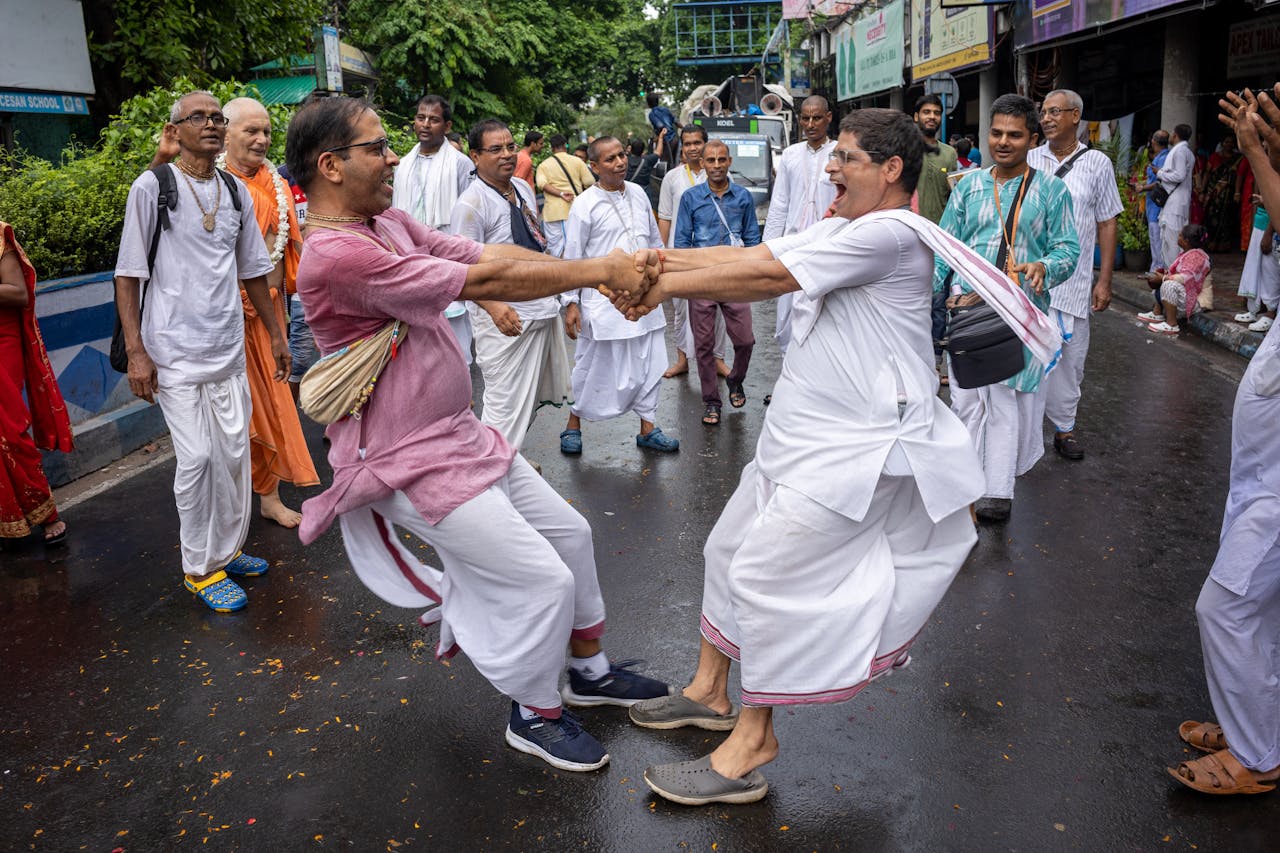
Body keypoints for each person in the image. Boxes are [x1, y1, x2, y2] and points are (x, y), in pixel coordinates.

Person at [617, 109, 1056, 806]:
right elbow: (747, 255)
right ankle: (708, 689)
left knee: (766, 573)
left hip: (855, 453)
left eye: (845, 156)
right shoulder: (844, 226)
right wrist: (659, 265)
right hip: (803, 440)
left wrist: (658, 286)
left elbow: (765, 273)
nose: (829, 166)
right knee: (728, 549)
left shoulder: (886, 234)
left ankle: (752, 739)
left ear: (889, 171)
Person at [285, 98, 668, 773]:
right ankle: (534, 711)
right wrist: (598, 273)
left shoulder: (389, 223)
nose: (393, 156)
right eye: (376, 147)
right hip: (408, 460)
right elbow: (482, 277)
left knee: (571, 537)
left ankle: (589, 669)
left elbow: (484, 252)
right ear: (330, 165)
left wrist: (591, 271)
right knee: (541, 579)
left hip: (459, 436)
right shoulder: (335, 254)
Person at [115, 91, 286, 612]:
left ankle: (228, 550)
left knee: (234, 456)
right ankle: (199, 568)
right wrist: (137, 351)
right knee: (198, 458)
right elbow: (128, 274)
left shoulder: (235, 191)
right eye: (199, 118)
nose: (211, 124)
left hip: (227, 348)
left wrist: (278, 335)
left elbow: (254, 269)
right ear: (176, 129)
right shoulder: (152, 187)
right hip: (173, 353)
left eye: (217, 118)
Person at [1165, 85, 1280, 796]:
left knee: (1228, 605)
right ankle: (1257, 722)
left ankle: (1258, 753)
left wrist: (1254, 151)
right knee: (1259, 608)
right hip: (1261, 475)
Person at [935, 93, 1079, 522]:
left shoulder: (1052, 190)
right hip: (968, 309)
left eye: (1014, 135)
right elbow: (946, 246)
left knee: (1002, 400)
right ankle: (964, 486)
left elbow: (1069, 249)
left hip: (1019, 311)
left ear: (1032, 139)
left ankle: (996, 492)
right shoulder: (968, 187)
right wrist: (933, 295)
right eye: (996, 133)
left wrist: (1044, 266)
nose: (1002, 142)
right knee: (965, 402)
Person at [209, 97, 320, 529]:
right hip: (221, 316)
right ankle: (227, 501)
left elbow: (281, 253)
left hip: (267, 313)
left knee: (268, 406)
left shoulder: (273, 183)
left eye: (266, 131)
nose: (261, 139)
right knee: (230, 414)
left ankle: (269, 496)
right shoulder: (211, 184)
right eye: (250, 130)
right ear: (226, 133)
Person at [450, 118, 571, 452]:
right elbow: (460, 267)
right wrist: (493, 306)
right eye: (495, 149)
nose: (506, 154)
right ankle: (489, 476)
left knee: (529, 401)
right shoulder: (471, 204)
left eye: (509, 147)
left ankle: (510, 462)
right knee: (504, 406)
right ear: (475, 156)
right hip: (503, 321)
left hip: (542, 309)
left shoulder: (523, 188)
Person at [559, 136, 679, 455]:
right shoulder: (584, 204)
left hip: (644, 298)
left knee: (650, 361)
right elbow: (573, 256)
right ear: (595, 166)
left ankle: (648, 428)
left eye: (622, 155)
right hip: (603, 302)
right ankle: (573, 425)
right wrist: (570, 302)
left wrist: (663, 277)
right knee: (592, 366)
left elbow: (654, 241)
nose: (620, 162)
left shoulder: (638, 193)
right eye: (610, 159)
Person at [1027, 89, 1123, 462]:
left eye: (1055, 112)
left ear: (1075, 117)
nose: (1047, 118)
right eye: (1044, 112)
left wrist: (1105, 279)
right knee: (1030, 356)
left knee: (1070, 360)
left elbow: (1108, 221)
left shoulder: (1096, 163)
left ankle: (1064, 429)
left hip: (1075, 282)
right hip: (1029, 282)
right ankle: (1027, 429)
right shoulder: (1029, 158)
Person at [673, 138, 759, 426]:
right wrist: (686, 279)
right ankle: (711, 402)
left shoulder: (744, 197)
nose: (717, 166)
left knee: (745, 340)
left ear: (730, 162)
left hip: (735, 278)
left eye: (722, 160)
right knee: (704, 345)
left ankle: (735, 380)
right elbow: (682, 243)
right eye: (711, 161)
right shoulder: (691, 198)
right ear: (703, 164)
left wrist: (753, 271)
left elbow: (753, 240)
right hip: (702, 279)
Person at [0, 221, 72, 547]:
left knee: (10, 429)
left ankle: (46, 514)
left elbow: (18, 292)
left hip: (3, 341)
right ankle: (8, 520)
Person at [391, 95, 475, 363]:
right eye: (420, 117)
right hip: (411, 255)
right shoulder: (402, 164)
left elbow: (469, 214)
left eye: (434, 119)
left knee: (456, 331)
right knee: (419, 333)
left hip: (448, 253)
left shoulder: (460, 163)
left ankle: (462, 389)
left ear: (447, 126)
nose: (425, 124)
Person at [763, 95, 836, 358]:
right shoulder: (790, 155)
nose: (810, 123)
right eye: (805, 118)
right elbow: (779, 204)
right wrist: (768, 251)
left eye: (817, 117)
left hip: (827, 247)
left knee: (825, 317)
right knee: (786, 317)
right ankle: (787, 379)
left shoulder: (839, 154)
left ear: (828, 118)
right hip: (793, 247)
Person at [656, 125, 728, 380]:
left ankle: (718, 359)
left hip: (713, 254)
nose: (693, 148)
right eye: (687, 144)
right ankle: (683, 358)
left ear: (706, 144)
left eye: (697, 142)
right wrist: (662, 254)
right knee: (680, 308)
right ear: (682, 148)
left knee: (717, 307)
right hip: (680, 253)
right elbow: (665, 217)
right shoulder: (672, 178)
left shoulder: (717, 175)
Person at [1140, 223, 1211, 334]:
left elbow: (1185, 278)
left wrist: (1164, 278)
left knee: (1168, 284)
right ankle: (1157, 313)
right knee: (1162, 279)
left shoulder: (1197, 257)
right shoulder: (1188, 253)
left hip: (1193, 303)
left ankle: (1171, 324)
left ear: (1186, 241)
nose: (1178, 236)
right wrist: (1162, 275)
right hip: (1184, 295)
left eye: (1180, 235)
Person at [534, 134, 595, 258]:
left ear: (552, 148)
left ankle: (559, 274)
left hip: (552, 214)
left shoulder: (543, 165)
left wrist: (560, 193)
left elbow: (541, 184)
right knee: (575, 247)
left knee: (555, 249)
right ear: (565, 146)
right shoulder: (577, 161)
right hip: (575, 209)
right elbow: (590, 182)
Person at [1234, 194, 1278, 332]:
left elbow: (1276, 206)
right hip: (1261, 222)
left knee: (1269, 271)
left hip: (1270, 225)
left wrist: (1268, 234)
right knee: (1255, 268)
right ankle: (1255, 309)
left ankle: (1271, 312)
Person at [1156, 124, 1196, 270]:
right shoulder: (1185, 152)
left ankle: (1173, 277)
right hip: (1178, 203)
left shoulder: (1180, 152)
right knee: (1173, 242)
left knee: (1172, 243)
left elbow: (1179, 175)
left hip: (1175, 204)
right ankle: (1172, 276)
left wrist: (1160, 173)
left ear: (1175, 135)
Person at [913, 94, 958, 224]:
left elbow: (954, 194)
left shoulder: (949, 153)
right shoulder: (905, 149)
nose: (932, 116)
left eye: (937, 113)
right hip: (910, 228)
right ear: (916, 117)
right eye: (926, 112)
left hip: (940, 229)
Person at [1200, 135, 1243, 252]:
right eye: (1226, 142)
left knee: (1226, 219)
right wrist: (1202, 191)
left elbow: (1239, 176)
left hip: (1228, 194)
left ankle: (1224, 246)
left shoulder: (1237, 158)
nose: (1229, 144)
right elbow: (1207, 174)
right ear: (1222, 143)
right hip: (1214, 193)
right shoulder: (1214, 157)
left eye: (1231, 142)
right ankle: (1211, 244)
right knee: (1212, 218)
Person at [1141, 130, 1171, 272]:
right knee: (1155, 240)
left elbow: (1160, 181)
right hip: (1152, 205)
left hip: (1156, 206)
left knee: (1157, 241)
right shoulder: (1161, 157)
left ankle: (1157, 272)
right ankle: (1155, 270)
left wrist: (1142, 187)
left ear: (1153, 142)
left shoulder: (1164, 158)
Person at [646, 92, 679, 168]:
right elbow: (676, 122)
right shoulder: (665, 110)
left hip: (666, 141)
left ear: (648, 103)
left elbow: (660, 126)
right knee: (675, 162)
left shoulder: (652, 114)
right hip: (674, 139)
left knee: (664, 164)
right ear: (658, 101)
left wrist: (658, 137)